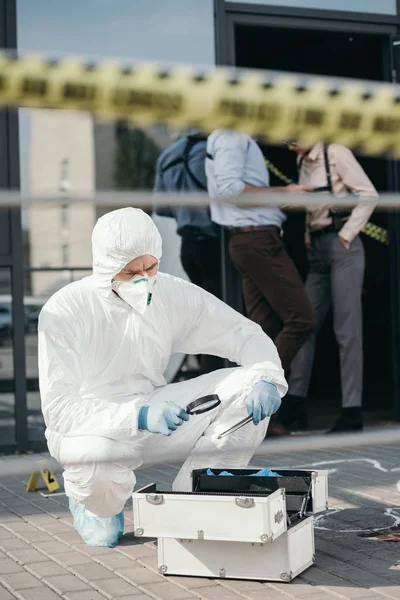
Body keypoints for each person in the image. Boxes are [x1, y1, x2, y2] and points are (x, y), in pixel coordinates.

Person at [38, 207, 287, 548]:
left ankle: (191, 501)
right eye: (129, 272)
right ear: (105, 267)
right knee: (93, 467)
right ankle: (95, 507)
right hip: (94, 429)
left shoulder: (169, 292)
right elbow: (61, 410)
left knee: (247, 388)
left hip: (157, 410)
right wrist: (136, 416)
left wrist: (268, 376)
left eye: (150, 266)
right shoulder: (66, 309)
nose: (143, 279)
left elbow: (243, 334)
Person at [205, 129, 316, 436]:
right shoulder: (231, 136)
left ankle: (256, 421)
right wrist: (286, 193)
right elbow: (230, 189)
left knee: (263, 332)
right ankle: (251, 397)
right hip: (257, 240)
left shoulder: (234, 138)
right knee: (302, 318)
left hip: (252, 239)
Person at [282, 141, 378, 433]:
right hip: (318, 249)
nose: (291, 146)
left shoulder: (335, 153)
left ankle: (352, 411)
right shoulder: (303, 162)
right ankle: (296, 404)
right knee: (304, 322)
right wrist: (310, 237)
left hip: (342, 246)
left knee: (347, 330)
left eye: (295, 139)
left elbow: (369, 194)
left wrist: (347, 235)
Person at [153, 132, 222, 374]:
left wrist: (185, 210)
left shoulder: (167, 155)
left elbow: (162, 208)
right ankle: (216, 377)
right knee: (221, 316)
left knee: (201, 313)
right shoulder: (213, 149)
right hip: (216, 243)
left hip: (189, 247)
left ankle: (208, 372)